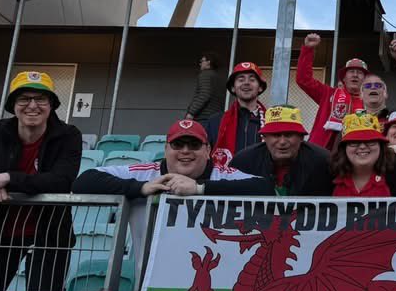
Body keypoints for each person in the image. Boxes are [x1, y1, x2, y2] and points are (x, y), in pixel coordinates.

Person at [73, 120, 272, 281]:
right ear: (166, 148)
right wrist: (139, 188)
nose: (185, 151)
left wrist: (200, 189)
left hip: (219, 279)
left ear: (208, 149)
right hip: (154, 282)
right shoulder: (147, 174)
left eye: (194, 145)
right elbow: (84, 181)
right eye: (178, 144)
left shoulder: (223, 175)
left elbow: (265, 189)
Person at [0, 71, 81, 291]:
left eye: (41, 99)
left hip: (50, 235)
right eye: (24, 99)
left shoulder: (69, 135)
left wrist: (7, 178)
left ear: (51, 105)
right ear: (13, 105)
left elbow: (61, 181)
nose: (32, 105)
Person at [229, 105, 334, 196]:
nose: (282, 141)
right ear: (264, 137)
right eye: (276, 135)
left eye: (289, 135)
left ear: (301, 137)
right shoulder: (243, 162)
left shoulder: (325, 163)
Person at [331, 112, 396, 197]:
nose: (362, 147)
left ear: (381, 146)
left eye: (370, 141)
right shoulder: (329, 174)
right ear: (344, 148)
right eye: (354, 142)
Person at [203, 62, 266, 167]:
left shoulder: (271, 122)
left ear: (260, 87)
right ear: (233, 88)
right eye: (241, 79)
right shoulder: (215, 121)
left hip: (261, 181)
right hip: (224, 181)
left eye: (252, 79)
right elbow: (203, 155)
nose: (246, 83)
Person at [185, 51, 225, 122]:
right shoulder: (219, 78)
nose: (200, 63)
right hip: (217, 118)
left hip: (204, 118)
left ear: (208, 62)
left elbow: (204, 94)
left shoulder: (205, 74)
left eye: (201, 61)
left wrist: (191, 113)